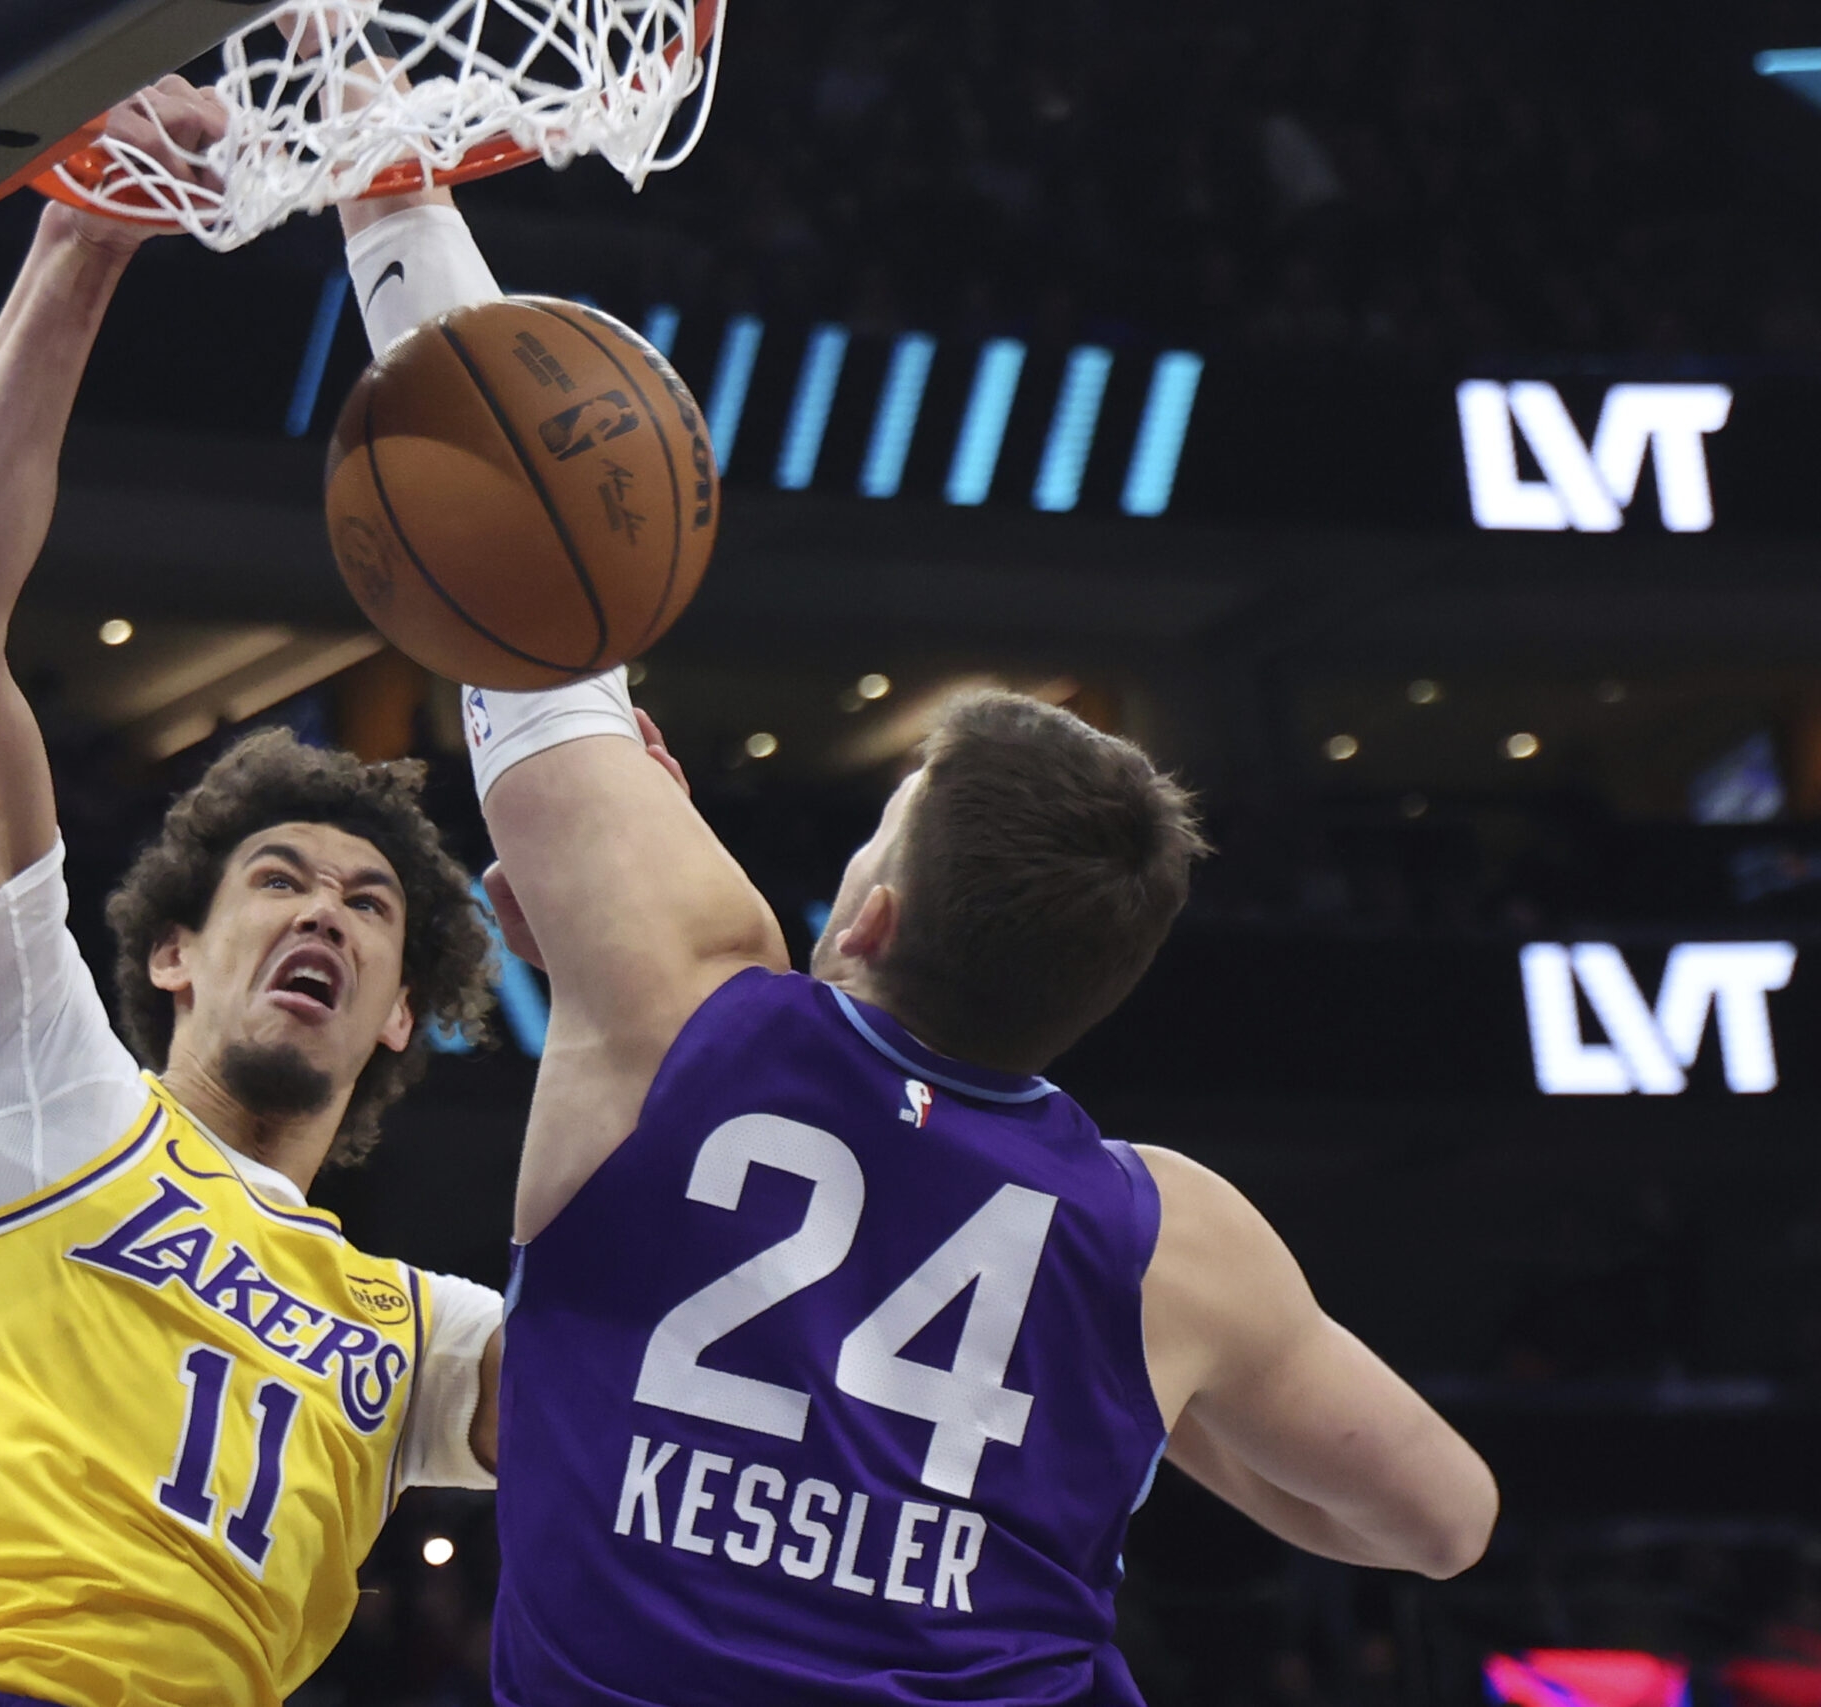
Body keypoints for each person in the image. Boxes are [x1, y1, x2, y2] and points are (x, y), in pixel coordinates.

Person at [337, 204, 1499, 1703]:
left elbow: (530, 574)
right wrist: (1157, 1416)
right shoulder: (1175, 1243)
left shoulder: (683, 1003)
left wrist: (393, 195)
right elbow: (1443, 1523)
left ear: (870, 916)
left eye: (876, 834)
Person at [0, 80, 506, 1707]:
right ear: (176, 955)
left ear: (404, 1010)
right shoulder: (30, 1081)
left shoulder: (416, 1334)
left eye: (367, 905)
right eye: (280, 879)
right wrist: (82, 239)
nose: (324, 911)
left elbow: (668, 1395)